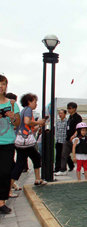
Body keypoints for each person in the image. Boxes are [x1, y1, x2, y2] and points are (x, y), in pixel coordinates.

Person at [11, 93, 48, 187]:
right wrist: (38, 122)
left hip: (21, 141)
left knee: (34, 158)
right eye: (35, 102)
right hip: (25, 142)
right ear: (29, 102)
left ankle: (38, 179)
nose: (36, 104)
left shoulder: (23, 111)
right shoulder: (28, 110)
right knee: (22, 163)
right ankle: (8, 188)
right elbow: (27, 121)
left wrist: (38, 125)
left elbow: (27, 127)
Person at [0, 75, 20, 214]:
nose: (1, 87)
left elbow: (17, 123)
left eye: (3, 84)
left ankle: (1, 201)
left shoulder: (12, 104)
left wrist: (12, 116)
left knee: (5, 172)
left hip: (7, 142)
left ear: (6, 86)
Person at [60, 102, 82, 174]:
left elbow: (79, 128)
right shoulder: (69, 117)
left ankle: (86, 167)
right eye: (68, 108)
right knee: (64, 154)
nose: (68, 110)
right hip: (68, 139)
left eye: (70, 108)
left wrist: (74, 135)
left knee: (79, 154)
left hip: (75, 139)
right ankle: (63, 170)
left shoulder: (78, 117)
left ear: (74, 109)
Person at [54, 109, 71, 175]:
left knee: (64, 155)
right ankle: (57, 168)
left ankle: (68, 166)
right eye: (59, 113)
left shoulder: (67, 122)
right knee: (58, 155)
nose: (60, 114)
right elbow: (56, 131)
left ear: (65, 114)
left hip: (64, 141)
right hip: (58, 140)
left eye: (61, 113)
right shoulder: (58, 122)